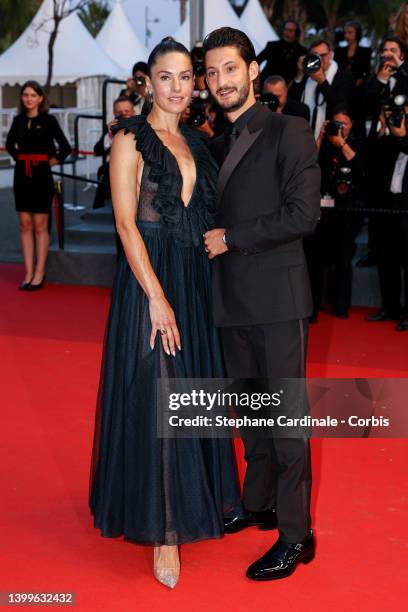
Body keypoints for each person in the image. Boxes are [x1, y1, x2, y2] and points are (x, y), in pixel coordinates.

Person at [88, 37, 243, 589]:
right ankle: (166, 535)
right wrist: (155, 296)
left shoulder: (199, 143)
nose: (178, 87)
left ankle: (183, 504)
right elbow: (126, 223)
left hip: (193, 282)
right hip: (148, 281)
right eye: (166, 77)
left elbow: (208, 220)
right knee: (162, 390)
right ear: (147, 81)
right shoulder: (130, 139)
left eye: (185, 77)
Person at [203, 27, 321, 581]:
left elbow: (304, 215)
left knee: (288, 424)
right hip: (230, 302)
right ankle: (260, 504)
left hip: (277, 300)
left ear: (252, 70)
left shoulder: (289, 130)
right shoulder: (211, 143)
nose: (221, 80)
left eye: (230, 68)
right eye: (212, 71)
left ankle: (297, 536)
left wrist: (232, 237)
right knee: (249, 417)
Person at [5, 80, 72, 290]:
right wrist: (21, 159)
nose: (29, 99)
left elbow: (65, 147)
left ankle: (40, 271)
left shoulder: (49, 120)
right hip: (22, 176)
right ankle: (28, 271)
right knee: (25, 224)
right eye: (25, 95)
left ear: (40, 98)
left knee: (40, 225)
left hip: (42, 176)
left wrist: (49, 161)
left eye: (33, 95)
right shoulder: (17, 120)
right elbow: (9, 144)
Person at [304, 105, 366, 321]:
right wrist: (320, 138)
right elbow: (308, 164)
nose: (339, 128)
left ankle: (341, 307)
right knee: (315, 262)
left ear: (352, 126)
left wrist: (342, 143)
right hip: (322, 212)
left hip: (346, 212)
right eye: (335, 123)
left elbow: (361, 169)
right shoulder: (325, 144)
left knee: (343, 261)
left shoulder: (356, 143)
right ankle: (312, 308)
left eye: (344, 124)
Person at [364, 102, 408, 329]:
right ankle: (389, 307)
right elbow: (372, 157)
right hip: (389, 207)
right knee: (387, 259)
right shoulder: (392, 138)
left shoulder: (402, 138)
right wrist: (384, 127)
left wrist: (401, 136)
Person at [289, 39, 355, 139]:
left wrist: (322, 82)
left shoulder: (344, 76)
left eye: (323, 55)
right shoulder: (306, 74)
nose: (319, 59)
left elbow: (340, 106)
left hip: (329, 138)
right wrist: (300, 74)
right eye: (315, 56)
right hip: (303, 137)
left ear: (330, 55)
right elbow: (292, 102)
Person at [93, 96, 135, 209]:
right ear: (114, 113)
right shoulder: (113, 128)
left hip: (135, 172)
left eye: (127, 111)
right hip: (115, 172)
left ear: (134, 111)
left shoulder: (142, 127)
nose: (124, 115)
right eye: (119, 112)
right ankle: (100, 207)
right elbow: (97, 150)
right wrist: (110, 135)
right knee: (104, 170)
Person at [334, 21, 371, 126]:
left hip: (358, 91)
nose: (347, 35)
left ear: (357, 34)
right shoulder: (339, 51)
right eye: (345, 33)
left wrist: (360, 80)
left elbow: (366, 70)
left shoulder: (365, 51)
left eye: (350, 32)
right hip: (342, 90)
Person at [257, 20, 307, 85]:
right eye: (285, 30)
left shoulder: (302, 51)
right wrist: (257, 78)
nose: (287, 33)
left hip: (289, 88)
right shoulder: (272, 46)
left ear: (297, 33)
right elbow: (256, 61)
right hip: (267, 85)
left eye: (290, 31)